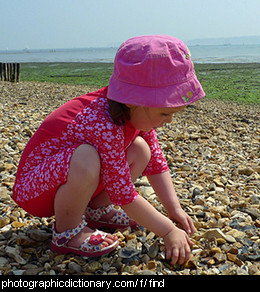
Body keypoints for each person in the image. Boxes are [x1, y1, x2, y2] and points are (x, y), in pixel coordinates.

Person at [13, 35, 205, 265]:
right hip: (35, 189)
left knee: (142, 150)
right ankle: (67, 233)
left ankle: (96, 211)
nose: (170, 120)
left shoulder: (133, 115)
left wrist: (174, 210)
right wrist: (167, 231)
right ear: (134, 100)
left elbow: (156, 163)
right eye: (165, 113)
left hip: (64, 184)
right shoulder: (101, 121)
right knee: (85, 157)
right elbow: (123, 193)